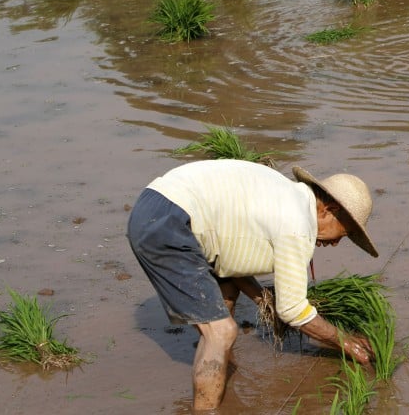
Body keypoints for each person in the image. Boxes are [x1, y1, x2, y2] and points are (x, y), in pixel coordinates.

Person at [126, 159, 380, 411]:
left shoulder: (285, 195)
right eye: (343, 234)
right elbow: (293, 310)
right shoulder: (298, 225)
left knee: (226, 294)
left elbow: (228, 261)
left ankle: (221, 369)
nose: (335, 244)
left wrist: (262, 298)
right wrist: (346, 343)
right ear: (329, 210)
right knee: (222, 331)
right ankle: (206, 410)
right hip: (168, 222)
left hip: (155, 205)